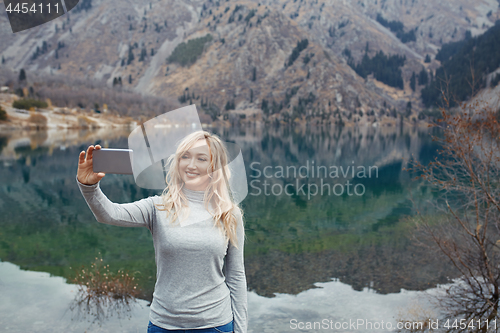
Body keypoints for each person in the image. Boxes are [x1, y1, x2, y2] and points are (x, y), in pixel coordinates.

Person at [76, 130, 247, 333]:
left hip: (216, 325)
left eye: (201, 159)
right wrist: (90, 186)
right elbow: (109, 214)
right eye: (185, 156)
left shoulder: (229, 214)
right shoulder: (158, 207)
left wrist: (241, 329)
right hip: (164, 325)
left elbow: (236, 276)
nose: (191, 165)